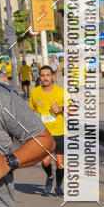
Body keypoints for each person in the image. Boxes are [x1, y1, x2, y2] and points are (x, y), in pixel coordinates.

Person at [29, 65, 65, 196]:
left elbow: (74, 107)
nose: (45, 78)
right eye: (43, 75)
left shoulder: (61, 91)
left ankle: (59, 187)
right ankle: (50, 176)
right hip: (43, 133)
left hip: (59, 131)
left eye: (48, 75)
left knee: (60, 163)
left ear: (53, 76)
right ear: (39, 77)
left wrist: (61, 108)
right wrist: (34, 116)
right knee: (45, 161)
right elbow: (31, 109)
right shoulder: (34, 92)